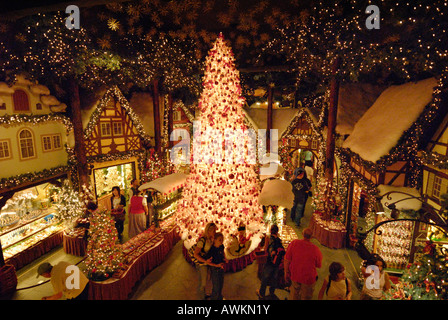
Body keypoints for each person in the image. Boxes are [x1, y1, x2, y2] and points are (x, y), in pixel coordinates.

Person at [284, 228, 322, 300]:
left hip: (295, 274)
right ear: (311, 237)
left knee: (294, 294)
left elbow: (287, 259)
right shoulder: (316, 249)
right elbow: (318, 265)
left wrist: (286, 272)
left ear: (302, 234)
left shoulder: (294, 243)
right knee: (306, 296)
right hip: (308, 278)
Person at [256, 224, 285, 300]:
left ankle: (261, 293)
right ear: (277, 231)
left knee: (265, 277)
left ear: (270, 230)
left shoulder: (268, 237)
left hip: (269, 260)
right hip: (276, 262)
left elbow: (265, 249)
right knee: (274, 277)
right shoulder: (278, 239)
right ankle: (271, 292)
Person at [192, 222, 217, 300]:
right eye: (214, 231)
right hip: (201, 264)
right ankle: (201, 297)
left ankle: (204, 295)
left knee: (205, 280)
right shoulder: (202, 240)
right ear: (209, 231)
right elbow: (195, 254)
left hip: (206, 263)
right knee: (202, 282)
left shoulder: (211, 239)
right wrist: (205, 261)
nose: (215, 232)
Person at [204, 232, 227, 300]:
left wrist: (224, 259)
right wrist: (216, 265)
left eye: (222, 239)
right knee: (216, 286)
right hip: (215, 270)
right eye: (220, 240)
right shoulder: (212, 250)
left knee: (221, 284)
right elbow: (208, 262)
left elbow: (223, 253)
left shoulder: (221, 246)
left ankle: (219, 297)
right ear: (215, 240)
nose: (221, 241)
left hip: (221, 268)